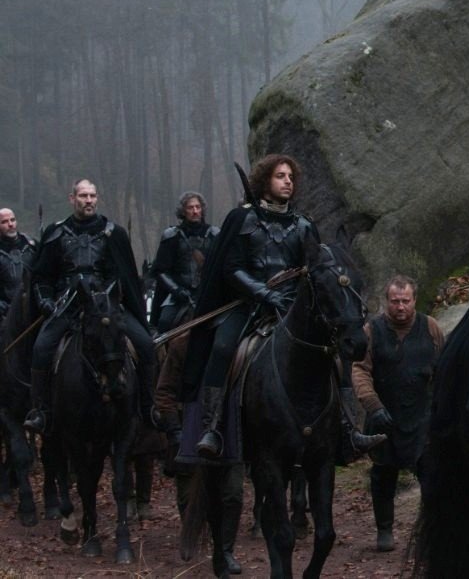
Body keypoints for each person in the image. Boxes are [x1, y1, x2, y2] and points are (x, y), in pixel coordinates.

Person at [181, 154, 382, 460]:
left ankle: (347, 429)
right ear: (264, 181)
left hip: (296, 307)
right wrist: (264, 293)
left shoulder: (303, 225)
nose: (288, 181)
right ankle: (213, 427)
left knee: (336, 355)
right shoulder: (241, 219)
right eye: (280, 176)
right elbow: (231, 267)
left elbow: (315, 269)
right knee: (222, 347)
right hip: (249, 305)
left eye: (290, 176)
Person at [24, 180, 156, 433]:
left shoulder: (114, 233)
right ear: (72, 198)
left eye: (93, 195)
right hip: (67, 306)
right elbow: (42, 277)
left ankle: (149, 407)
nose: (89, 200)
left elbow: (123, 275)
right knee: (41, 348)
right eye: (83, 195)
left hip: (106, 307)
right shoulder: (56, 233)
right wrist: (46, 302)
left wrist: (106, 297)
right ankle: (41, 411)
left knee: (146, 344)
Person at [352, 275, 444, 552]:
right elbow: (359, 369)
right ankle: (385, 530)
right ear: (387, 301)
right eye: (395, 301)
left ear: (414, 300)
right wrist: (373, 405)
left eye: (405, 301)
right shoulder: (372, 330)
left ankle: (432, 531)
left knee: (430, 475)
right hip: (384, 415)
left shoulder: (431, 327)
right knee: (383, 475)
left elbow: (445, 368)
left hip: (422, 416)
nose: (400, 307)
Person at [156, 332, 243, 574]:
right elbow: (165, 391)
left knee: (233, 494)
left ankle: (225, 550)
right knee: (188, 495)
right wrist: (174, 429)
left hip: (227, 429)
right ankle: (191, 531)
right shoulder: (184, 343)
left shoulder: (236, 341)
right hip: (189, 427)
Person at [150, 192, 220, 334]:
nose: (195, 211)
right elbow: (161, 271)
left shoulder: (215, 235)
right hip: (178, 296)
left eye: (198, 207)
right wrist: (177, 291)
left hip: (207, 294)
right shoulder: (172, 236)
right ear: (183, 211)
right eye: (190, 208)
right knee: (164, 322)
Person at [0, 208, 37, 322]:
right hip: (6, 313)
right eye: (4, 222)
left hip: (33, 309)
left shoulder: (32, 245)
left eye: (12, 220)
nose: (10, 224)